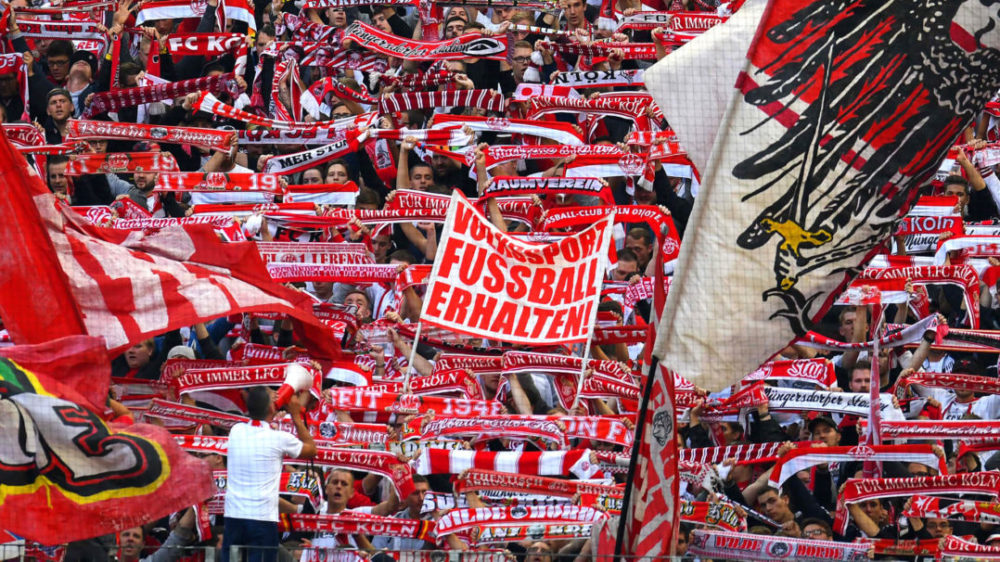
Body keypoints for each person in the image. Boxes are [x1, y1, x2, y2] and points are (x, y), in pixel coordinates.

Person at [222, 386, 317, 562]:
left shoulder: (236, 431)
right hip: (262, 520)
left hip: (233, 517)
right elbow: (311, 450)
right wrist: (295, 414)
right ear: (272, 407)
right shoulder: (279, 438)